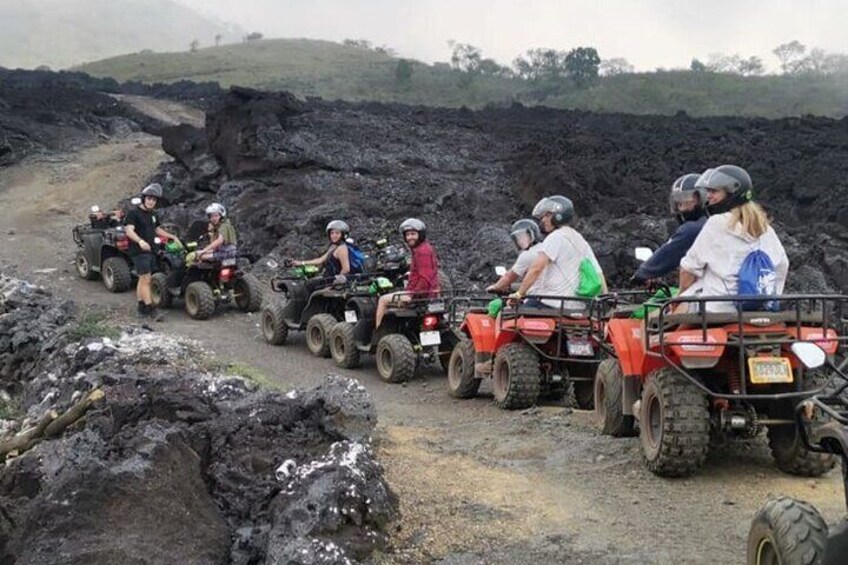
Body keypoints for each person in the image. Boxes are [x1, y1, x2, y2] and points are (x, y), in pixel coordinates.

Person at [679, 165, 789, 313]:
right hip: (760, 311)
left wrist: (679, 299)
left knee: (653, 320)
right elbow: (782, 265)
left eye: (714, 191)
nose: (709, 196)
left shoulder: (717, 223)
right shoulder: (766, 230)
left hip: (715, 308)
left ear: (731, 194)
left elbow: (688, 270)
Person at [513, 195, 607, 309]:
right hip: (578, 306)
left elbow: (536, 268)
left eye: (547, 215)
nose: (543, 220)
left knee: (512, 315)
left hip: (551, 303)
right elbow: (599, 273)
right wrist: (606, 300)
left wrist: (519, 294)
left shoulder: (555, 237)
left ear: (558, 216)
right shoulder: (580, 240)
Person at [632, 173, 707, 284]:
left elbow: (668, 253)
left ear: (701, 198)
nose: (681, 205)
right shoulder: (718, 221)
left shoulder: (693, 229)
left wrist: (641, 274)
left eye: (685, 198)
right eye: (677, 200)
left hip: (709, 292)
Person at [124, 183, 180, 320]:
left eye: (154, 200)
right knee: (146, 278)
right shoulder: (133, 213)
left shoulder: (152, 214)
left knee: (142, 279)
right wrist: (140, 241)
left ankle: (141, 307)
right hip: (138, 250)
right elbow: (128, 230)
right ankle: (151, 310)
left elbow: (156, 229)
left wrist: (172, 236)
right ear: (144, 198)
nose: (151, 202)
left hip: (151, 250)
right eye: (149, 198)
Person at [375, 218, 439, 328]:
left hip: (420, 295)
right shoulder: (425, 248)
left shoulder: (421, 251)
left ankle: (378, 332)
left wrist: (412, 296)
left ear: (420, 234)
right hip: (427, 293)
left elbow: (425, 278)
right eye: (408, 235)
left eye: (413, 234)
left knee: (382, 300)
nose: (410, 237)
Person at [487, 219, 544, 294]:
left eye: (523, 236)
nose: (521, 241)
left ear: (533, 234)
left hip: (537, 296)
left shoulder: (527, 255)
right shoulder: (546, 247)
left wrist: (496, 287)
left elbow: (509, 277)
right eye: (518, 238)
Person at [293, 220, 355, 285]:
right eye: (332, 233)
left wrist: (337, 282)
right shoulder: (333, 247)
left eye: (337, 233)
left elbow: (346, 269)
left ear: (342, 235)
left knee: (309, 285)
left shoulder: (342, 248)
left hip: (332, 280)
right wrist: (300, 263)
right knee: (310, 282)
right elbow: (320, 260)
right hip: (328, 277)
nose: (334, 235)